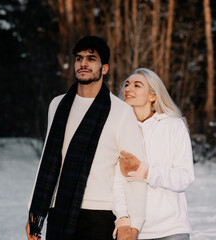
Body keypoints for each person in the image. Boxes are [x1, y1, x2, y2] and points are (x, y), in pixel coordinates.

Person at [25, 36, 147, 240]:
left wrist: (133, 223)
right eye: (79, 58)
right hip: (59, 210)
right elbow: (47, 160)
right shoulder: (58, 105)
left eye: (91, 59)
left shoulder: (121, 111)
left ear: (104, 68)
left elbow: (132, 173)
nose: (83, 63)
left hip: (99, 215)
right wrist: (34, 213)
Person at [115, 68, 195, 240]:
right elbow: (116, 182)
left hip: (171, 230)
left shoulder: (173, 125)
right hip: (133, 231)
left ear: (153, 96)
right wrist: (122, 219)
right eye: (127, 85)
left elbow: (185, 177)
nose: (128, 89)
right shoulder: (118, 129)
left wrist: (146, 172)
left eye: (137, 85)